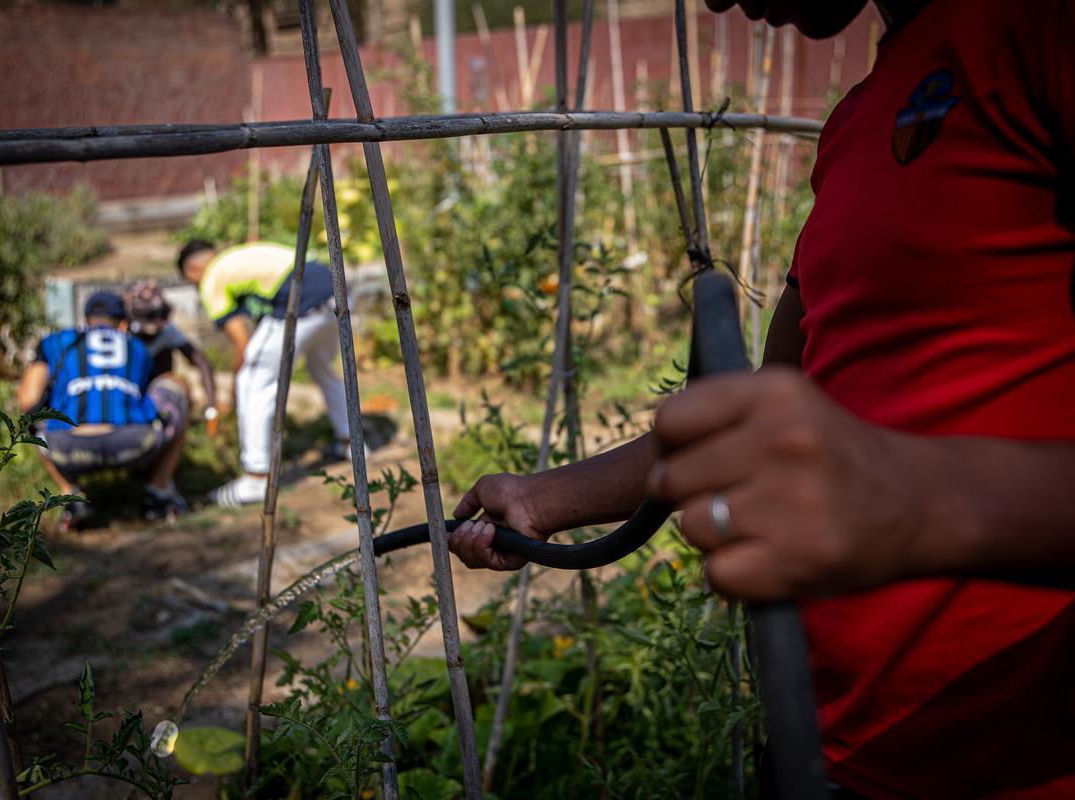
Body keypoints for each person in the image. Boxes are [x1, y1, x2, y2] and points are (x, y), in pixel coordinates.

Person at [450, 0, 1075, 797]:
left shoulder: (1045, 33)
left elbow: (881, 484)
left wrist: (915, 502)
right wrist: (544, 498)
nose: (711, 1)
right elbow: (766, 406)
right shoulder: (860, 120)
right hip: (835, 746)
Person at [176, 239, 354, 507]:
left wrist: (237, 392)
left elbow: (244, 345)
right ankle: (352, 444)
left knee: (253, 381)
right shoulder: (236, 258)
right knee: (321, 368)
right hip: (336, 291)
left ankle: (255, 477)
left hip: (302, 301)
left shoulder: (211, 278)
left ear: (192, 271)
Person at [17, 291, 190, 528]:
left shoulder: (55, 342)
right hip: (134, 443)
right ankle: (158, 493)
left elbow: (28, 400)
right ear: (123, 323)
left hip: (65, 448)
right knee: (175, 384)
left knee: (35, 417)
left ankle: (72, 497)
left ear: (86, 319)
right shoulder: (138, 345)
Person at [123, 279, 219, 434]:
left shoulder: (167, 332)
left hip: (154, 388)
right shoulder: (120, 335)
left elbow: (200, 361)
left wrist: (211, 408)